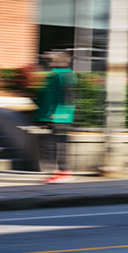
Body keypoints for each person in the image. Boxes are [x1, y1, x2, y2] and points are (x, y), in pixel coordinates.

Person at [37, 51, 78, 183]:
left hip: (58, 116)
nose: (48, 63)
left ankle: (64, 172)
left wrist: (56, 112)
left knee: (56, 144)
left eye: (50, 60)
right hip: (61, 116)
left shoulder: (58, 75)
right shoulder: (67, 74)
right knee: (58, 144)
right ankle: (62, 172)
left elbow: (64, 96)